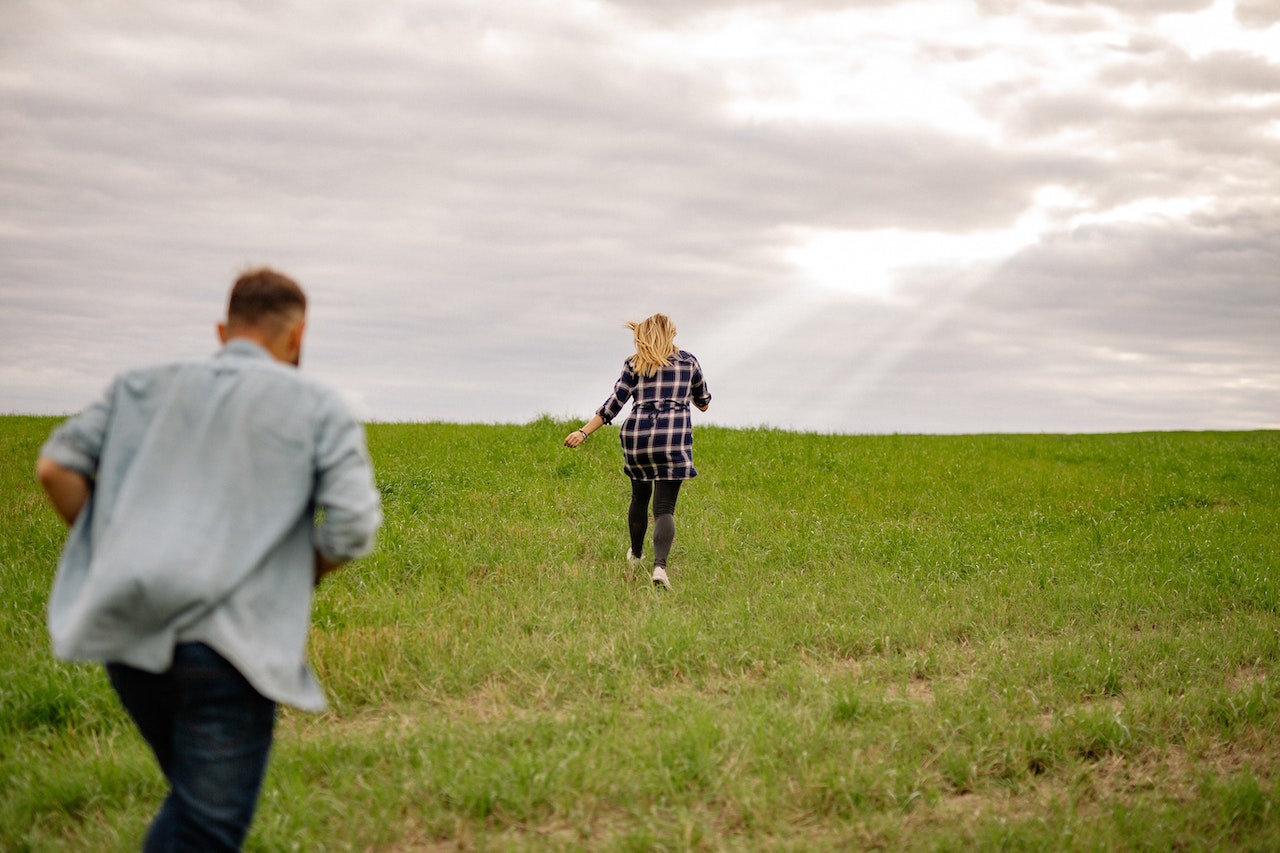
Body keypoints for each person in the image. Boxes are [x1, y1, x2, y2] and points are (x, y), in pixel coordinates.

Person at [35, 267, 383, 852]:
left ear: (223, 329)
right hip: (228, 644)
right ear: (297, 337)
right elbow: (352, 527)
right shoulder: (317, 404)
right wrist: (296, 574)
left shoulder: (140, 385)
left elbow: (55, 468)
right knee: (206, 828)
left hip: (130, 633)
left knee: (193, 803)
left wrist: (114, 549)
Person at [564, 313, 711, 590]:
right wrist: (683, 395)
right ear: (671, 334)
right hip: (672, 441)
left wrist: (583, 432)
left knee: (639, 498)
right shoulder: (689, 362)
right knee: (664, 508)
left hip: (638, 439)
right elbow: (703, 402)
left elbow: (614, 404)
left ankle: (636, 554)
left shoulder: (634, 363)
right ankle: (660, 567)